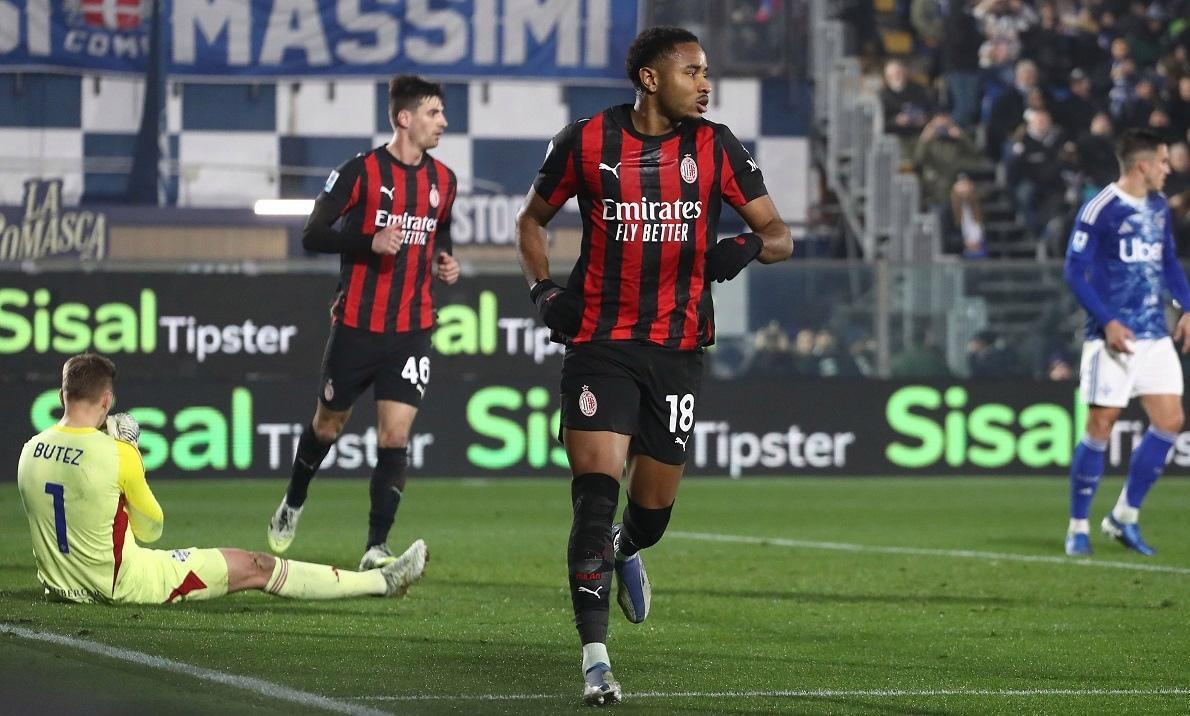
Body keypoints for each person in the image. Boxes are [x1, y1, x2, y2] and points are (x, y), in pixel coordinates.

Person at [514, 26, 792, 705]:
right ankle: (596, 660)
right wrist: (543, 291)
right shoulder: (585, 140)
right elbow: (531, 221)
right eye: (692, 71)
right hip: (600, 343)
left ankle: (627, 548)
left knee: (653, 513)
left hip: (677, 350)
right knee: (593, 496)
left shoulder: (717, 146)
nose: (705, 84)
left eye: (706, 72)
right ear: (649, 78)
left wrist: (745, 249)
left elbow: (779, 235)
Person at [16, 354, 427, 605]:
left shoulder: (31, 450)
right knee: (257, 565)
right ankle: (381, 581)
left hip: (63, 587)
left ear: (62, 396)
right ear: (107, 400)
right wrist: (133, 454)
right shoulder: (117, 453)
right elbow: (151, 528)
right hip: (125, 584)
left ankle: (380, 581)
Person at [266, 75, 460, 570]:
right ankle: (294, 499)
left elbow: (440, 232)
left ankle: (376, 547)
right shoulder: (359, 173)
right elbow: (312, 234)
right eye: (434, 113)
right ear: (404, 118)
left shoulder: (444, 181)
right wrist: (368, 242)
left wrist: (444, 259)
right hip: (356, 326)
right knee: (327, 426)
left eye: (442, 113)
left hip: (412, 329)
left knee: (395, 437)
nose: (443, 121)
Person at [1063, 128, 1190, 558]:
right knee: (1100, 426)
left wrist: (1188, 306)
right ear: (1143, 165)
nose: (1168, 169)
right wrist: (1108, 322)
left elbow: (1168, 261)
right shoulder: (1101, 208)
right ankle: (1078, 526)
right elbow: (1073, 271)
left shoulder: (1157, 206)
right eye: (1163, 161)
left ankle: (1124, 516)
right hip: (1112, 338)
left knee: (1170, 421)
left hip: (1154, 333)